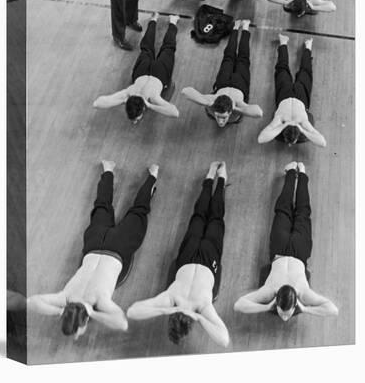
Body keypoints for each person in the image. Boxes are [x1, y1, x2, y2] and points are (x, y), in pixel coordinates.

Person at [27, 161, 159, 338]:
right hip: (95, 242)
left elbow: (122, 323)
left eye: (78, 332)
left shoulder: (97, 302)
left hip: (118, 248)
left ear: (82, 322)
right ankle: (108, 169)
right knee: (102, 206)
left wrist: (92, 312)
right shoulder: (65, 298)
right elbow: (30, 301)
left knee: (139, 211)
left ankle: (153, 175)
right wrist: (62, 311)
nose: (77, 336)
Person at [127, 162, 230, 348]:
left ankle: (210, 177)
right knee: (215, 218)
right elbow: (224, 339)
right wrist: (198, 316)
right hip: (209, 259)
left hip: (188, 256)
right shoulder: (202, 309)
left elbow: (132, 311)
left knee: (199, 215)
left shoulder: (170, 299)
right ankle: (221, 179)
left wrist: (164, 310)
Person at [234, 162, 339, 321]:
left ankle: (295, 172)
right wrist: (304, 309)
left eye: (285, 312)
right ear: (277, 301)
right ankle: (299, 173)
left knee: (285, 209)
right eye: (285, 312)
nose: (284, 317)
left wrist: (269, 307)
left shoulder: (270, 290)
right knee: (300, 212)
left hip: (280, 248)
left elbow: (239, 304)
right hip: (298, 251)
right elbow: (332, 310)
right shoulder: (302, 292)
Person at [93, 13, 180, 122]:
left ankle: (173, 22)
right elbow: (96, 103)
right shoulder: (130, 92)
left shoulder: (148, 96)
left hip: (159, 74)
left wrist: (149, 105)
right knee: (146, 47)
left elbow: (175, 112)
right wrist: (124, 100)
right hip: (142, 72)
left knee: (168, 48)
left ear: (143, 108)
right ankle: (153, 19)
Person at [182, 19, 263, 127]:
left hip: (223, 82)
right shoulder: (233, 107)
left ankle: (235, 28)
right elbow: (258, 112)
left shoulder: (213, 103)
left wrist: (207, 102)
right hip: (240, 84)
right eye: (219, 116)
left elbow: (185, 91)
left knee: (229, 56)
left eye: (222, 117)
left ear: (229, 113)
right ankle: (245, 28)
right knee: (243, 58)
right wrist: (235, 107)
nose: (220, 121)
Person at [258, 34, 326, 146]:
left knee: (282, 69)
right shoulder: (302, 123)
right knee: (305, 72)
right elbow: (322, 142)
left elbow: (261, 138)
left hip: (283, 95)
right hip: (301, 97)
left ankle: (283, 43)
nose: (290, 145)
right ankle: (308, 47)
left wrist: (285, 126)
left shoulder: (279, 121)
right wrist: (302, 129)